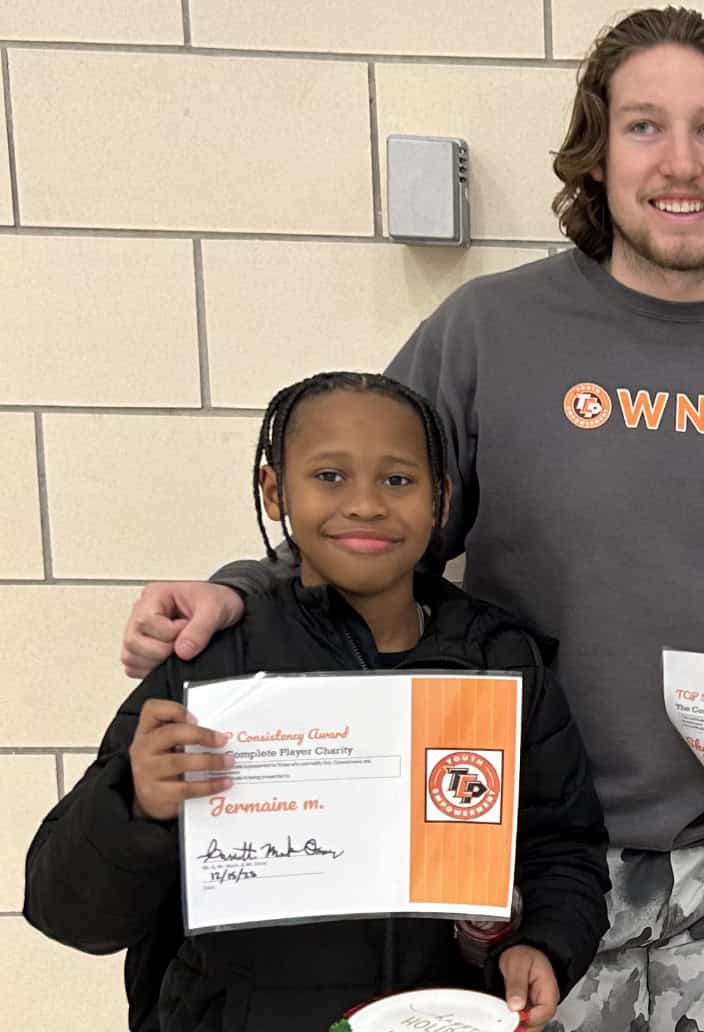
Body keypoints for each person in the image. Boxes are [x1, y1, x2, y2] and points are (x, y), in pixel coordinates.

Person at [113, 7, 704, 1032]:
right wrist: (236, 591)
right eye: (643, 126)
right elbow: (362, 523)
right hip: (524, 865)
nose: (681, 161)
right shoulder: (488, 329)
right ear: (595, 152)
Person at [26, 372, 609, 1031]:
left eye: (398, 480)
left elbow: (563, 848)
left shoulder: (500, 662)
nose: (365, 505)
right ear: (276, 490)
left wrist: (545, 944)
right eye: (329, 476)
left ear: (441, 499)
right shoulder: (214, 662)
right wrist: (137, 804)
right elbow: (65, 911)